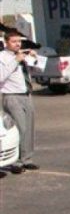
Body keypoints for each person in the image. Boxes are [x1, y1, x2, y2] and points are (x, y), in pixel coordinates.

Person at [0, 29, 38, 173]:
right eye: (14, 41)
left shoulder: (22, 54)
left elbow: (34, 73)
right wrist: (15, 61)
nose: (17, 44)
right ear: (6, 42)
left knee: (29, 128)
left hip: (26, 94)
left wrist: (34, 60)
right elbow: (1, 76)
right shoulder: (2, 57)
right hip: (12, 96)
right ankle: (15, 162)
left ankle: (27, 159)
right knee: (19, 128)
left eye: (19, 41)